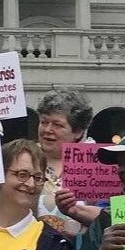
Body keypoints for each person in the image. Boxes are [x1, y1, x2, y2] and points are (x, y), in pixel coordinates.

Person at [37, 87, 96, 232]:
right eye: (44, 122)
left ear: (78, 132)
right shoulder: (27, 160)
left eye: (57, 125)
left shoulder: (95, 164)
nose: (47, 130)